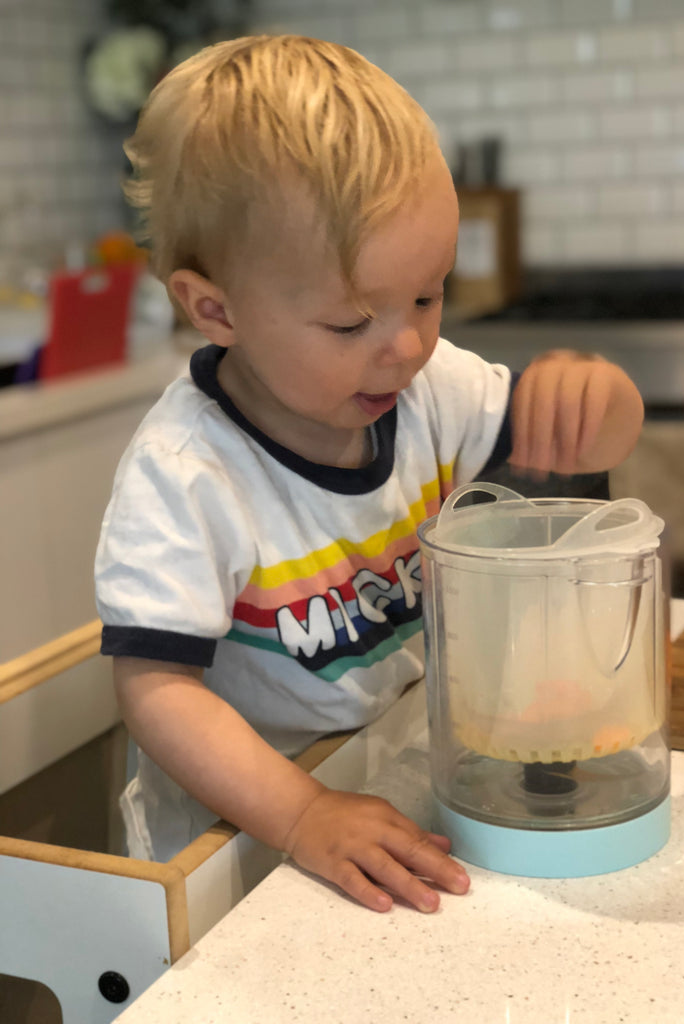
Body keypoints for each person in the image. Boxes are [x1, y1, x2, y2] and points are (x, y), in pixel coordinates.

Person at [94, 34, 644, 914]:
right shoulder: (187, 474)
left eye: (427, 296)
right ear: (216, 308)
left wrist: (597, 396)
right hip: (230, 847)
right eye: (352, 322)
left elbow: (591, 444)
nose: (407, 347)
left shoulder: (430, 389)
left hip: (382, 780)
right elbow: (156, 690)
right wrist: (303, 812)